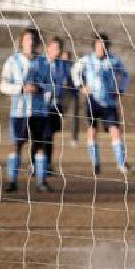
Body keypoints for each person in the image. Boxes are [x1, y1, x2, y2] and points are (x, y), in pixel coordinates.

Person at [0, 28, 54, 193]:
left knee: (40, 146)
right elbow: (2, 85)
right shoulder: (12, 61)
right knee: (16, 145)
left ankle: (41, 182)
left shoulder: (44, 62)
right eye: (27, 40)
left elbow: (52, 85)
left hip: (40, 111)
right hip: (19, 111)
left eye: (33, 40)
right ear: (22, 42)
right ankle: (12, 181)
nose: (30, 43)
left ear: (37, 43)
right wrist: (21, 88)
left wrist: (40, 87)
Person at [72, 33, 130, 176]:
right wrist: (81, 86)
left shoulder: (114, 61)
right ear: (94, 46)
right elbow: (74, 71)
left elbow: (125, 75)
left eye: (103, 45)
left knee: (115, 131)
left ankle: (121, 163)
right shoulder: (86, 60)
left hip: (109, 102)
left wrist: (121, 89)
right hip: (93, 101)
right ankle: (95, 163)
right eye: (98, 45)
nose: (101, 48)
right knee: (92, 131)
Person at [31, 37, 75, 175]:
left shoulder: (63, 65)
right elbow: (35, 80)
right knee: (38, 136)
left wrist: (70, 90)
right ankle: (34, 165)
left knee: (49, 136)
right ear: (48, 48)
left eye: (59, 48)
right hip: (39, 105)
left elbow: (70, 80)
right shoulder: (40, 63)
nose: (57, 51)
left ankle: (47, 165)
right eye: (55, 48)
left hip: (55, 106)